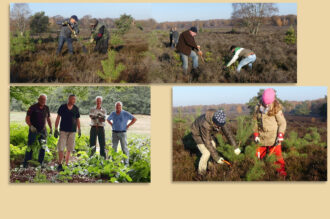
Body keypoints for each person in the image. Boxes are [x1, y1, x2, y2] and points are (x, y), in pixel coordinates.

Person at [191, 109, 239, 175]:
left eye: (220, 125)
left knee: (213, 146)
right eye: (218, 125)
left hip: (208, 134)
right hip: (198, 134)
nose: (219, 127)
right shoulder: (205, 124)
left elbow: (228, 133)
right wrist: (217, 157)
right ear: (214, 121)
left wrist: (235, 147)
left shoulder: (221, 119)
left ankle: (210, 165)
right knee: (206, 153)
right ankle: (201, 173)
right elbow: (207, 142)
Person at [253, 88, 287, 177]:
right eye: (265, 102)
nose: (266, 104)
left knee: (278, 156)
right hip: (261, 138)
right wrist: (256, 134)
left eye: (268, 103)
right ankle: (259, 171)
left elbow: (282, 123)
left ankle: (281, 171)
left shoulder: (276, 108)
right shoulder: (257, 107)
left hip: (274, 138)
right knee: (258, 156)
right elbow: (255, 122)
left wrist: (280, 135)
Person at [23, 94, 52, 168]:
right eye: (41, 99)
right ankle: (25, 164)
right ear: (38, 99)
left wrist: (51, 128)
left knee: (43, 147)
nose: (43, 101)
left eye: (44, 100)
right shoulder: (32, 107)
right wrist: (31, 126)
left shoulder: (46, 108)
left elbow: (48, 119)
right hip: (34, 131)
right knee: (30, 146)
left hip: (43, 131)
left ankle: (40, 163)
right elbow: (27, 119)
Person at [54, 94, 81, 171]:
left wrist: (79, 130)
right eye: (73, 99)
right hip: (63, 130)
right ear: (69, 99)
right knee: (61, 147)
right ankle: (60, 164)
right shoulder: (62, 107)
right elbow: (58, 118)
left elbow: (77, 119)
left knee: (69, 148)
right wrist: (56, 128)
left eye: (75, 99)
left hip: (72, 131)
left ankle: (66, 163)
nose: (74, 101)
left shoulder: (76, 108)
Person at [107, 102, 137, 166]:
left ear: (121, 106)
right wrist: (111, 124)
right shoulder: (113, 113)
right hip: (114, 133)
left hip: (122, 133)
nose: (118, 107)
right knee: (114, 148)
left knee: (124, 148)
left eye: (119, 105)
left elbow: (134, 119)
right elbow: (108, 119)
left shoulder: (125, 113)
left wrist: (128, 125)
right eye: (117, 106)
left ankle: (126, 163)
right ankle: (114, 163)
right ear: (115, 107)